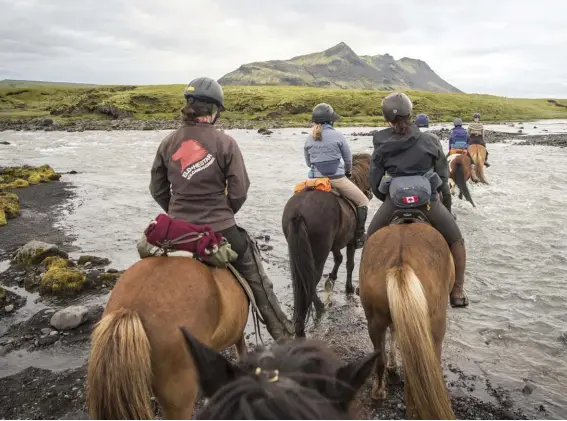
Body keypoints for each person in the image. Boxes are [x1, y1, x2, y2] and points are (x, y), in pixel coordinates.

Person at [149, 77, 294, 339]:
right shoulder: (226, 143)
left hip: (176, 231)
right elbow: (240, 190)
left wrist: (177, 213)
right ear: (214, 111)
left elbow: (157, 189)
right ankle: (283, 333)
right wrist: (223, 211)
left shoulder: (168, 143)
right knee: (257, 278)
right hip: (220, 228)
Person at [367, 92, 469, 307]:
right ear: (410, 114)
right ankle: (458, 290)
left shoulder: (380, 140)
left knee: (370, 238)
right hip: (428, 202)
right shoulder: (430, 140)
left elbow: (374, 179)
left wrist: (386, 198)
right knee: (456, 240)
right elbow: (442, 178)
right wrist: (446, 206)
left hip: (394, 203)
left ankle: (363, 285)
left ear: (387, 118)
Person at [304, 103, 369, 249]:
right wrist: (348, 172)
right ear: (330, 121)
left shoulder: (309, 138)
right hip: (336, 179)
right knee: (363, 201)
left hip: (315, 180)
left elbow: (308, 163)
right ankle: (359, 236)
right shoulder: (338, 135)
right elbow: (348, 160)